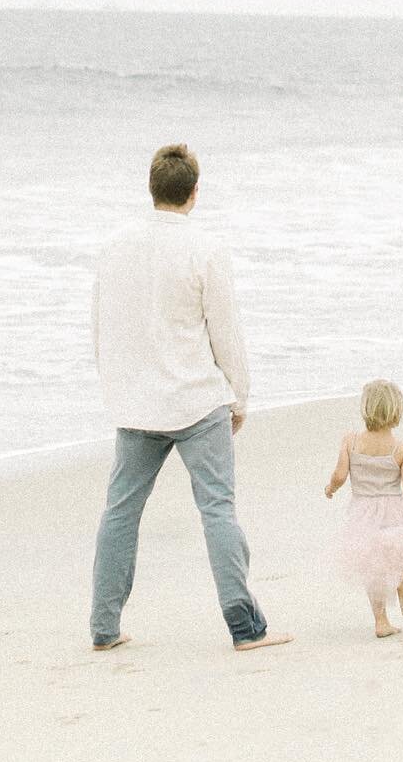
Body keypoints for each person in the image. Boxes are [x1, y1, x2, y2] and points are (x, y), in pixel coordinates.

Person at [89, 144, 290, 653]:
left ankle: (104, 627)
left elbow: (101, 326)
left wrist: (117, 388)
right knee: (217, 510)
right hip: (198, 401)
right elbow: (227, 332)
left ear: (151, 188)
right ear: (194, 193)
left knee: (120, 512)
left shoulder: (114, 246)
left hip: (137, 403)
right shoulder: (205, 248)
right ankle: (245, 629)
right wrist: (239, 398)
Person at [324, 378, 403, 638]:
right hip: (395, 509)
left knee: (373, 568)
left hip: (362, 512)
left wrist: (331, 488)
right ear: (398, 411)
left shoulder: (350, 442)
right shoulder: (402, 448)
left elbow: (340, 475)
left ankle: (381, 621)